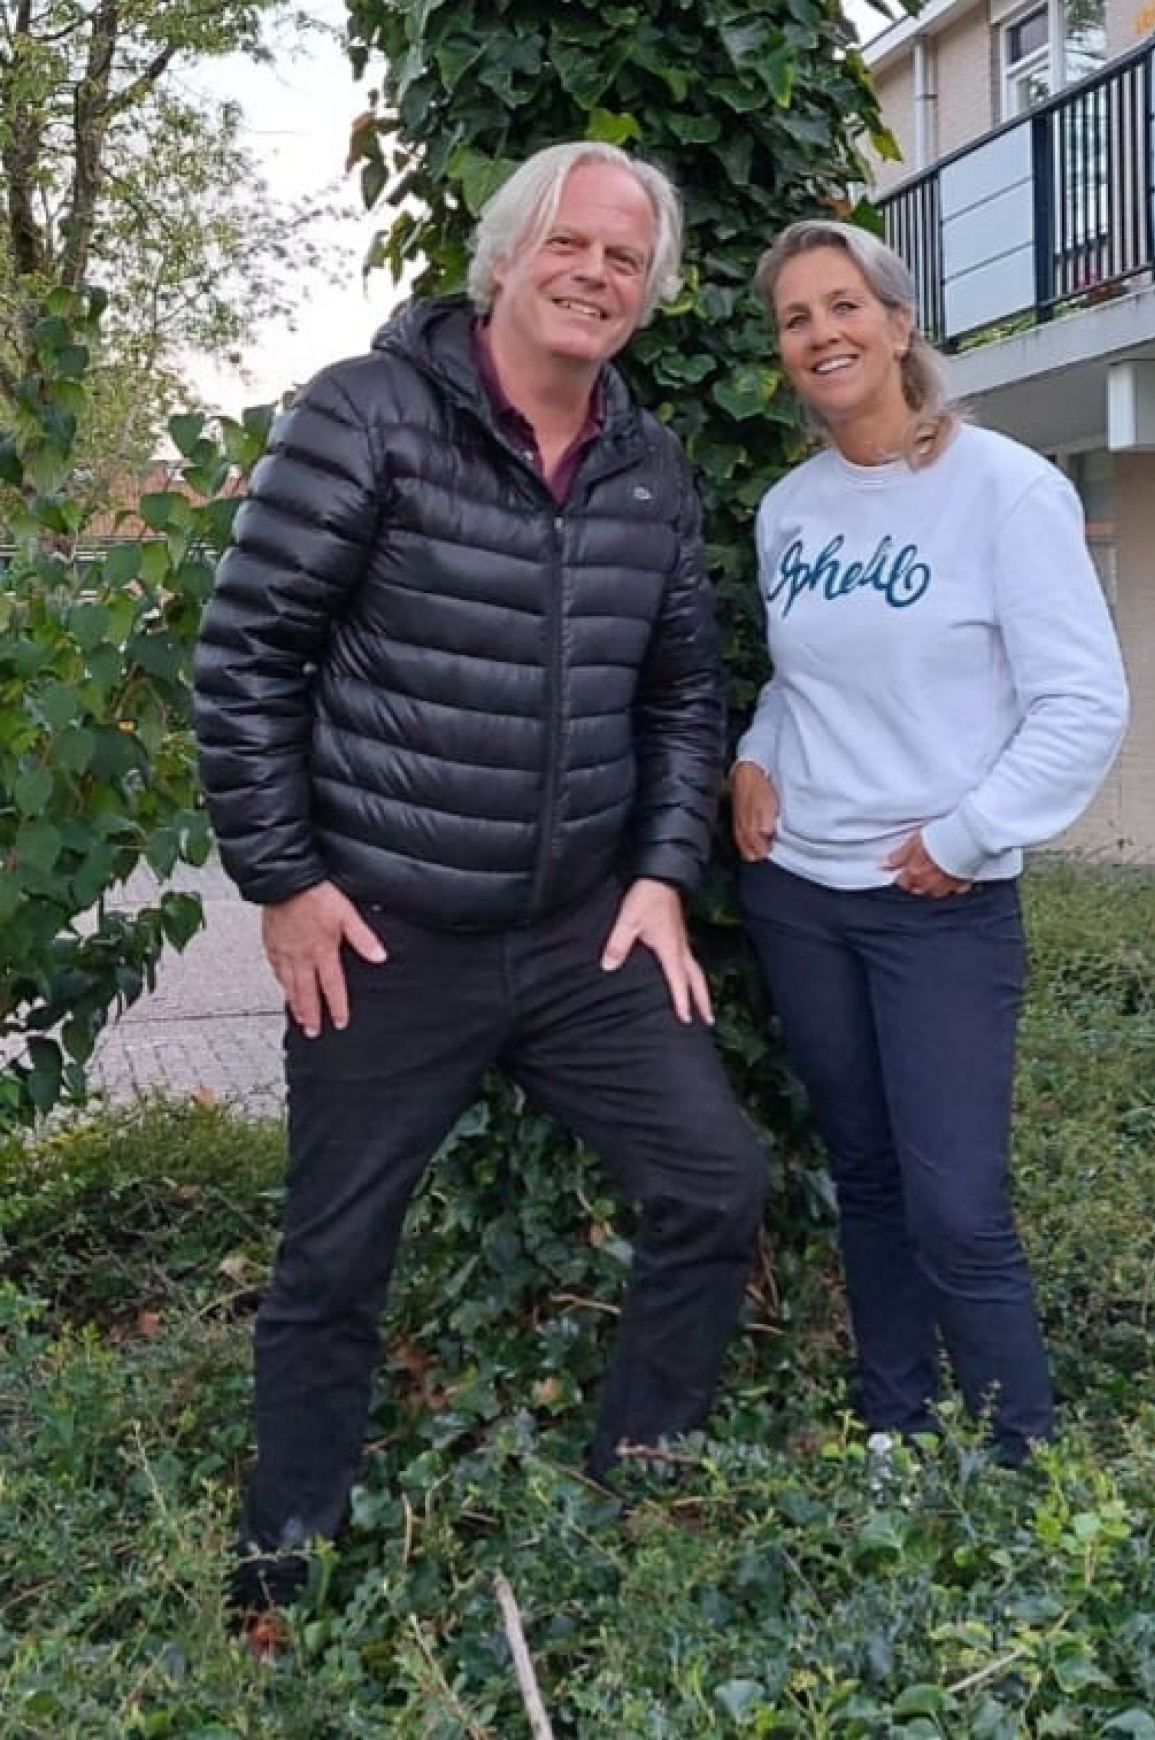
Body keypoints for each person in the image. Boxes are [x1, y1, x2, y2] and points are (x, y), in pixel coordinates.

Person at [193, 140, 767, 1645]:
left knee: (715, 1183)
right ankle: (282, 1572)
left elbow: (684, 697)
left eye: (625, 259)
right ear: (506, 257)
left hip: (580, 934)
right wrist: (286, 882)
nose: (594, 274)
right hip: (387, 939)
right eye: (568, 243)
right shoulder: (366, 416)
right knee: (333, 1263)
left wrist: (661, 874)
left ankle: (635, 1494)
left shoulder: (648, 467)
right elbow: (246, 657)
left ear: (647, 295)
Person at [731, 219, 1128, 1467]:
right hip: (801, 895)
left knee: (957, 1204)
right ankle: (894, 1434)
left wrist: (968, 835)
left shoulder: (1006, 489)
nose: (822, 334)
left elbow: (1082, 703)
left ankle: (1018, 1462)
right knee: (867, 1178)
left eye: (844, 305)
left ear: (900, 325)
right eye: (796, 319)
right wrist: (755, 752)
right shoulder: (788, 511)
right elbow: (804, 680)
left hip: (938, 907)